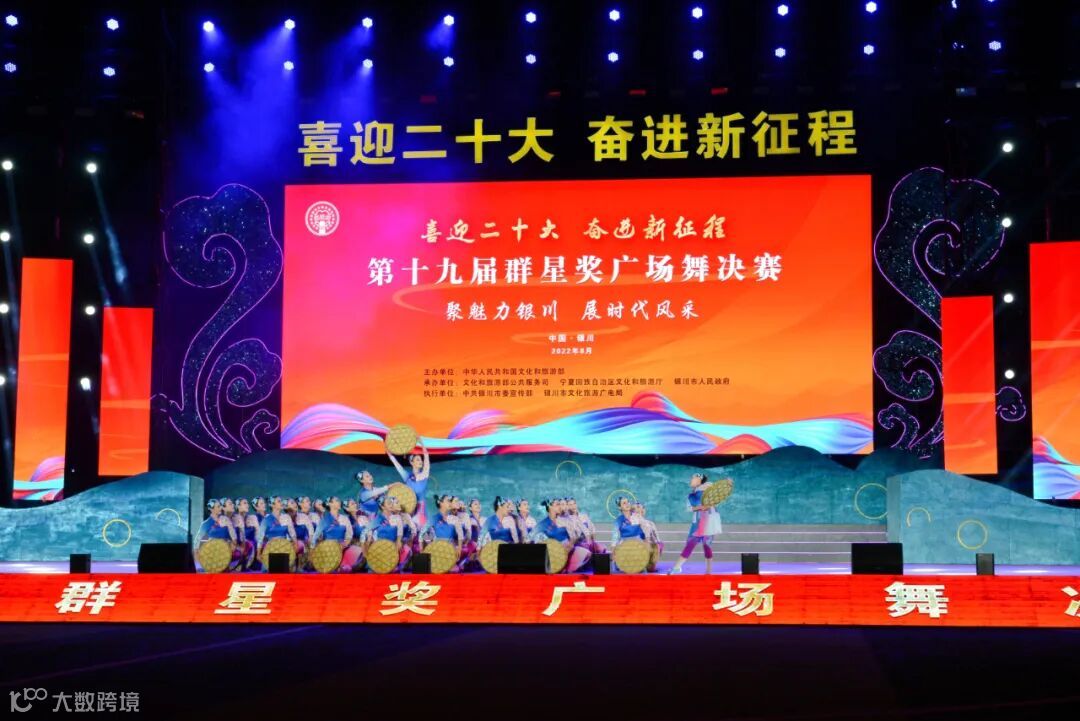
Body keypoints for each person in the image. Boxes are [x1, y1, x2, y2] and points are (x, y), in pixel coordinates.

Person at [668, 473, 722, 575]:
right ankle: (677, 567)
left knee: (707, 545)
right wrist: (700, 507)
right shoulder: (691, 495)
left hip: (709, 521)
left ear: (699, 479)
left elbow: (717, 498)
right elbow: (689, 508)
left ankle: (708, 571)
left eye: (693, 478)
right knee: (690, 543)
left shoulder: (709, 488)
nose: (691, 479)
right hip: (697, 522)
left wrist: (725, 485)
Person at [532, 498, 591, 572]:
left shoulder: (566, 520)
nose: (561, 507)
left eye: (561, 504)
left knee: (587, 554)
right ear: (550, 508)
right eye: (558, 504)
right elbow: (532, 541)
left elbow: (573, 538)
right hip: (555, 555)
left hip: (567, 551)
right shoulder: (542, 524)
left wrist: (572, 543)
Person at [387, 439, 431, 527]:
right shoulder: (407, 476)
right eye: (418, 460)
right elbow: (397, 465)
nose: (421, 461)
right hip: (408, 508)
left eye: (421, 460)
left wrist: (422, 443)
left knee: (417, 526)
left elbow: (426, 457)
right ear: (412, 462)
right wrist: (389, 452)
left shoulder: (424, 475)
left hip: (420, 510)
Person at [363, 495, 410, 572]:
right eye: (389, 503)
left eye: (391, 503)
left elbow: (400, 532)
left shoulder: (397, 518)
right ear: (382, 507)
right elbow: (368, 532)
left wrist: (399, 541)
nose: (391, 505)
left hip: (393, 546)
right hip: (380, 547)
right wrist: (368, 542)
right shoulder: (377, 519)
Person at [313, 496, 359, 572]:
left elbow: (349, 535)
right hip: (328, 551)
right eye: (337, 500)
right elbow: (316, 537)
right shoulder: (324, 520)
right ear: (330, 504)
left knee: (348, 567)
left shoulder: (344, 518)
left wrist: (344, 544)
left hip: (342, 548)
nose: (339, 502)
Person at [196, 498, 243, 571]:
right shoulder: (205, 524)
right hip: (214, 550)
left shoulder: (225, 519)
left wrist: (234, 543)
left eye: (221, 506)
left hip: (228, 548)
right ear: (211, 509)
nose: (221, 508)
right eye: (218, 506)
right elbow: (199, 540)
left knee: (239, 554)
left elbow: (233, 534)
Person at [424, 494, 466, 572]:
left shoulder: (455, 519)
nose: (450, 503)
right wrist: (433, 547)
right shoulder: (433, 519)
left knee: (454, 570)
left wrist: (459, 548)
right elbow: (426, 537)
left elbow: (460, 535)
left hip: (450, 550)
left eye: (450, 501)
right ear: (441, 503)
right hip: (438, 550)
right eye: (447, 501)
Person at [257, 496, 298, 566]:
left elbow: (292, 534)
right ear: (272, 505)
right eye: (279, 501)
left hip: (284, 547)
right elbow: (260, 538)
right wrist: (258, 553)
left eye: (281, 501)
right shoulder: (266, 519)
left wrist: (295, 544)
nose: (281, 503)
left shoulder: (286, 517)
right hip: (271, 549)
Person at [633, 501, 663, 572]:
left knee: (659, 544)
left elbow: (657, 538)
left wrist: (658, 543)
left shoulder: (650, 523)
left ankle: (650, 564)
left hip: (650, 545)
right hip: (639, 545)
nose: (642, 509)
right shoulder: (633, 521)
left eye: (643, 508)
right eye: (638, 507)